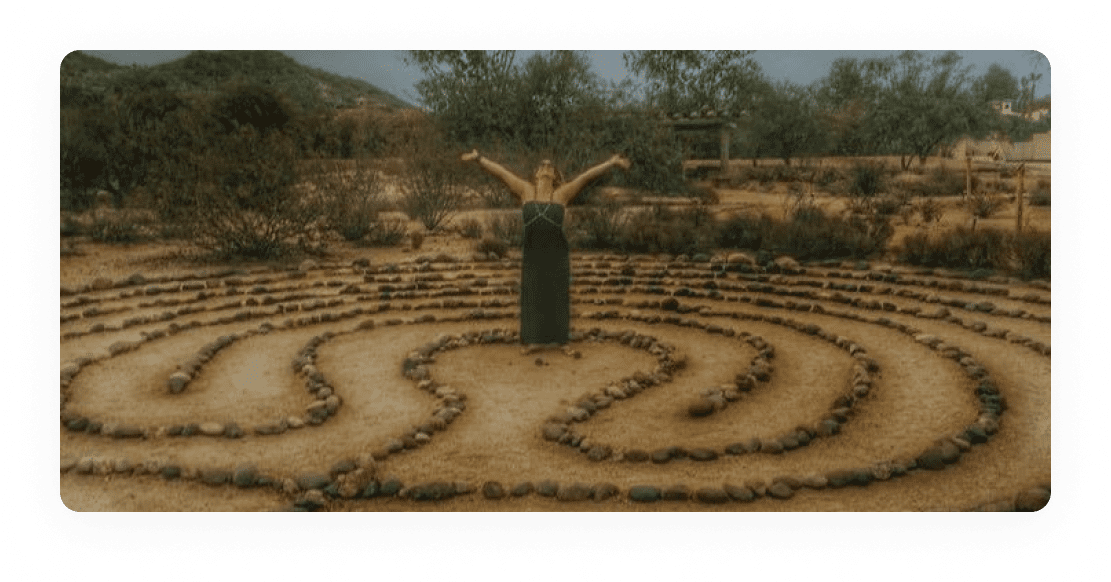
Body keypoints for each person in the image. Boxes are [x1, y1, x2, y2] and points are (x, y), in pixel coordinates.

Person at [461, 150, 631, 351]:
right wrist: (479, 158)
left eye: (550, 167)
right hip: (533, 251)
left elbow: (587, 176)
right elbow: (501, 173)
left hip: (557, 252)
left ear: (555, 175)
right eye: (542, 166)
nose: (546, 169)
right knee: (532, 294)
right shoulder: (525, 190)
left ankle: (560, 340)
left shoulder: (562, 194)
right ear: (536, 173)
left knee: (556, 295)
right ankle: (532, 340)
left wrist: (611, 162)